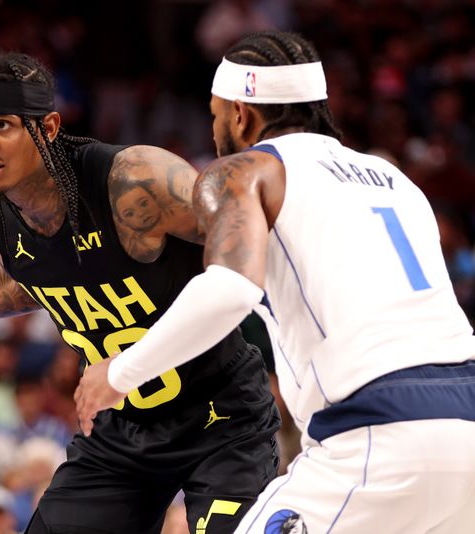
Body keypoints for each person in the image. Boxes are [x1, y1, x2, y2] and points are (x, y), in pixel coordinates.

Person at [0, 52, 280, 534]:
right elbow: (26, 277)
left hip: (220, 418)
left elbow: (244, 236)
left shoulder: (132, 181)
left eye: (2, 125)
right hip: (121, 432)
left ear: (49, 127)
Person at [75, 30, 475, 533]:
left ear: (240, 114)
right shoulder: (397, 179)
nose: (215, 126)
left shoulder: (245, 170)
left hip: (377, 432)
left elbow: (229, 289)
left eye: (216, 113)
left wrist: (118, 374)